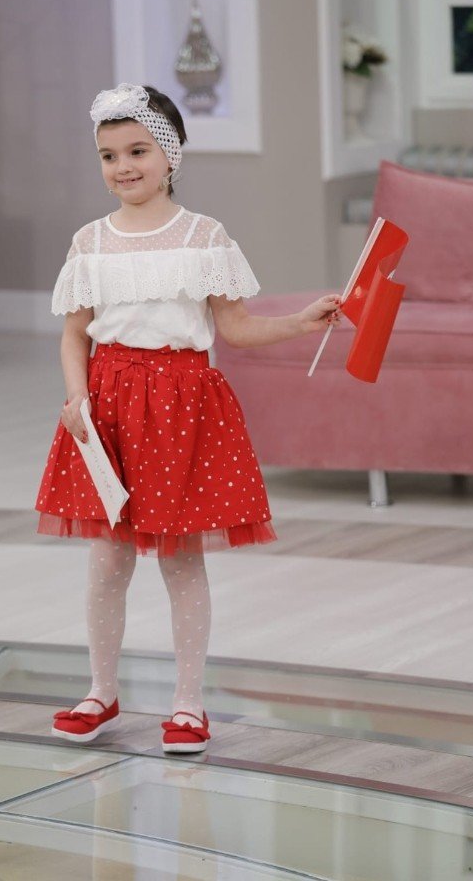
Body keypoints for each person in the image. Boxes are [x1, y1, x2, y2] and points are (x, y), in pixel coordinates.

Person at [34, 82, 342, 754]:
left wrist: (301, 321)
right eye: (109, 156)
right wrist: (76, 397)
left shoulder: (205, 237)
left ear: (170, 154)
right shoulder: (90, 242)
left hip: (181, 407)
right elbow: (74, 334)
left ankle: (188, 703)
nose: (123, 167)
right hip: (109, 407)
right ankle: (101, 690)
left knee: (181, 559)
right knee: (107, 560)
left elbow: (237, 327)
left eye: (138, 151)